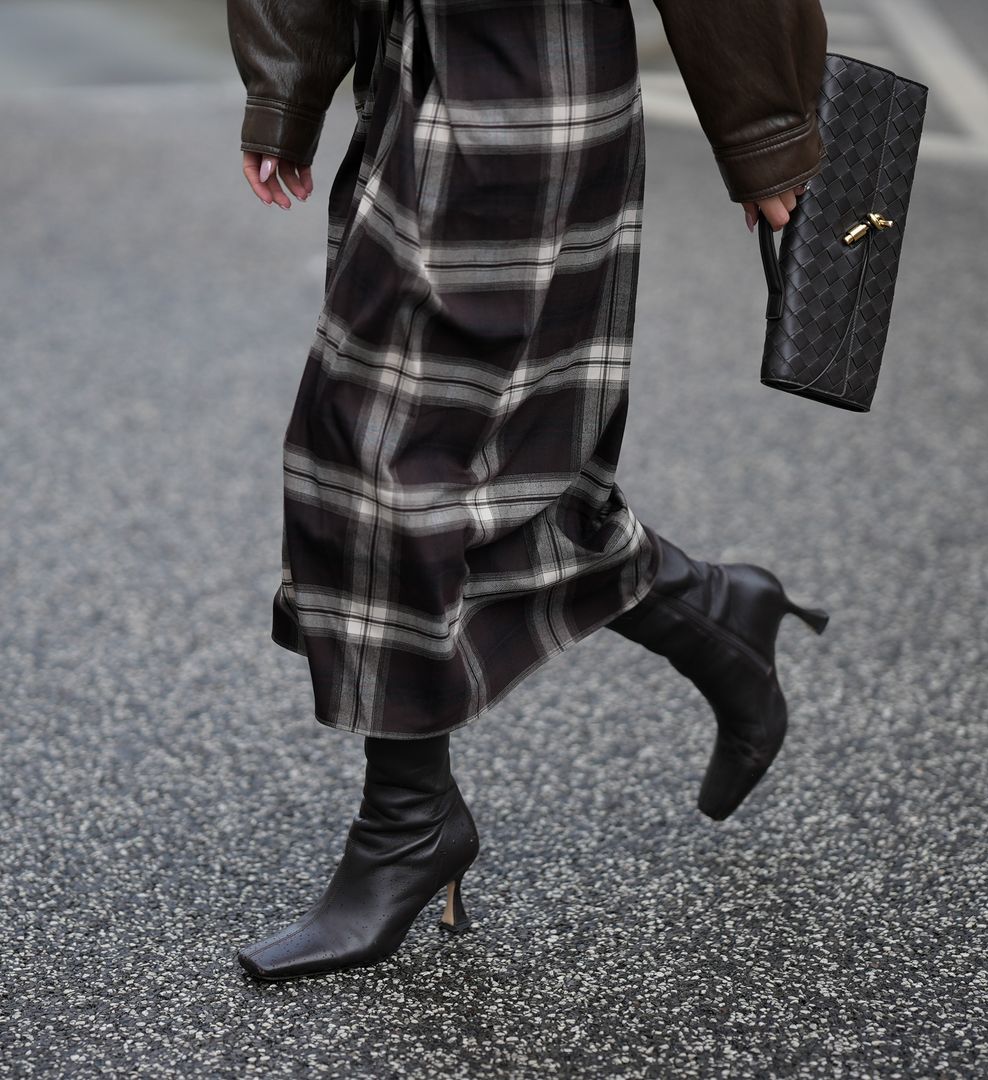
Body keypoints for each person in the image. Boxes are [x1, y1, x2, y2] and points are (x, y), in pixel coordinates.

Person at [226, 0, 831, 982]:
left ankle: (407, 825)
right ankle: (714, 614)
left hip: (533, 79)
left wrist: (767, 132)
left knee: (386, 455)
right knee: (456, 464)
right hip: (407, 68)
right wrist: (285, 84)